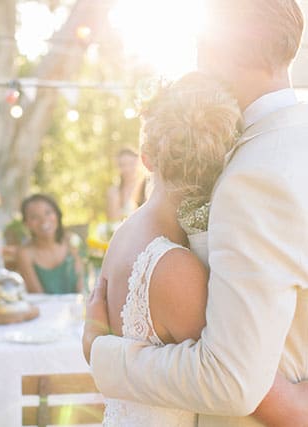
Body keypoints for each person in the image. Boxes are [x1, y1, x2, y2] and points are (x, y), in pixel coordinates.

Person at [83, 0, 308, 426]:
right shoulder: (289, 145)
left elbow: (231, 381)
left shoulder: (254, 176)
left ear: (213, 48)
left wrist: (101, 352)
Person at [17, 194, 84, 294]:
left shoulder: (72, 242)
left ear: (57, 214)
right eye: (34, 217)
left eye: (48, 212)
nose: (43, 220)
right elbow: (39, 297)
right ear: (27, 224)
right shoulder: (25, 254)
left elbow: (82, 289)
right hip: (45, 308)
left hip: (77, 307)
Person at [106, 147, 147, 222]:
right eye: (122, 165)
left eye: (131, 164)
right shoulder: (114, 191)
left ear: (138, 163)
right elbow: (113, 220)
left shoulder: (146, 188)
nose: (127, 169)